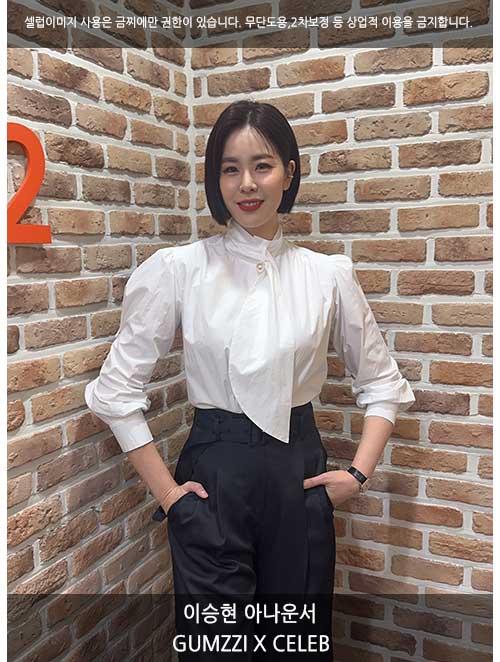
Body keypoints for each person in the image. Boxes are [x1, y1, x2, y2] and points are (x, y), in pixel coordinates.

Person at [85, 99, 415, 660]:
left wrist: (357, 474)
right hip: (213, 475)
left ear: (289, 171)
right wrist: (169, 496)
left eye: (262, 165)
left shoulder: (326, 275)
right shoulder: (181, 269)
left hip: (299, 472)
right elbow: (115, 391)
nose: (246, 184)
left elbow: (382, 382)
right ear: (216, 180)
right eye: (230, 168)